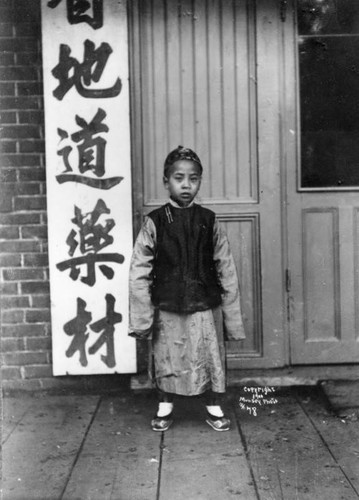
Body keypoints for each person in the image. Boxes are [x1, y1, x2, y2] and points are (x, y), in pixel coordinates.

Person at [128, 145, 246, 432]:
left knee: (206, 354)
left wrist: (231, 318)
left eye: (193, 179)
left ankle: (213, 403)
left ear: (199, 183)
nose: (185, 185)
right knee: (168, 353)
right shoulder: (155, 222)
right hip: (168, 304)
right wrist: (142, 318)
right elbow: (139, 271)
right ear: (166, 181)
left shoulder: (209, 220)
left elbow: (225, 267)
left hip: (204, 303)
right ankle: (165, 403)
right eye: (178, 178)